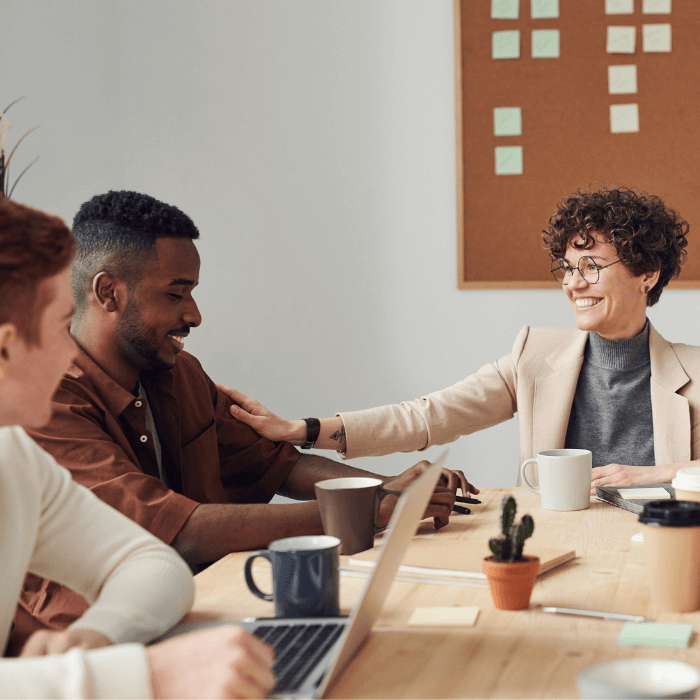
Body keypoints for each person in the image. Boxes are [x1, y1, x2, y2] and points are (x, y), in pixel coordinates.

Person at [13, 189, 473, 651]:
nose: (193, 315)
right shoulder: (42, 408)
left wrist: (384, 490)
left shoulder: (177, 371)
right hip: (102, 652)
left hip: (204, 611)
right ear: (108, 293)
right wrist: (367, 512)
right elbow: (177, 532)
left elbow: (274, 464)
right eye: (177, 294)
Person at [220, 187, 700, 495]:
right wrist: (301, 429)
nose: (574, 284)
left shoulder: (693, 372)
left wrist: (658, 473)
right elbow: (428, 417)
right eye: (567, 269)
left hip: (662, 548)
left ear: (646, 274)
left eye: (592, 267)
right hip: (550, 542)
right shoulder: (535, 355)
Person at [0, 196, 275, 698]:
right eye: (61, 324)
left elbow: (152, 565)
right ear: (5, 346)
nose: (73, 348)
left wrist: (90, 640)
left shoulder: (13, 457)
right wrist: (147, 677)